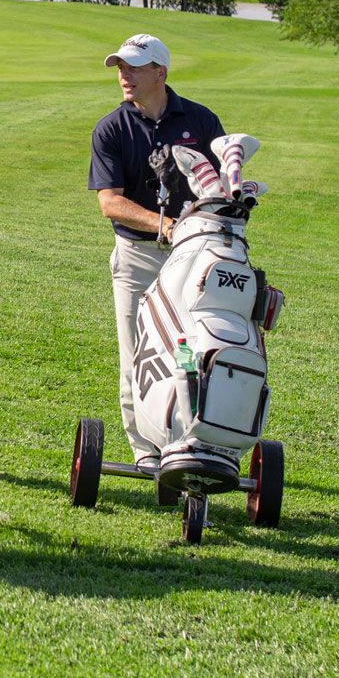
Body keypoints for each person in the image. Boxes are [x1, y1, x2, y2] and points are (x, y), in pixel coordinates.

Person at [87, 33, 225, 474]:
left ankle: (186, 438)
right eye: (120, 68)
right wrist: (164, 224)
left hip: (193, 257)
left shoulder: (201, 122)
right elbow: (110, 201)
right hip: (138, 257)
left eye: (133, 67)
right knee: (138, 353)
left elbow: (221, 189)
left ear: (160, 73)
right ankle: (144, 449)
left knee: (191, 348)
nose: (124, 76)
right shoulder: (111, 128)